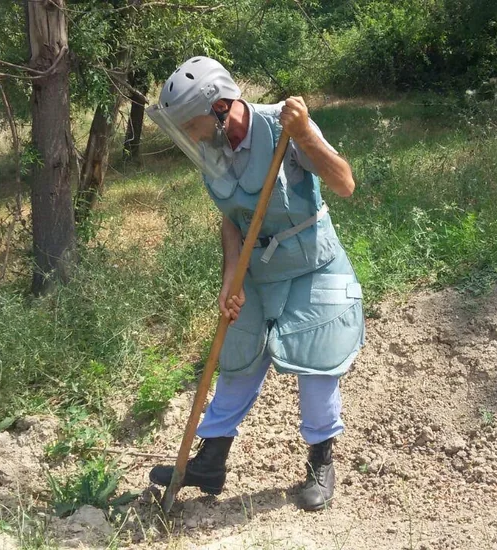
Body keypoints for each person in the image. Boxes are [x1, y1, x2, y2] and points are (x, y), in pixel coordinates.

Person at [146, 56, 364, 512]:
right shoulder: (213, 147)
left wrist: (304, 135)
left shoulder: (280, 126)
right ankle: (210, 461)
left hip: (311, 264)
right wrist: (231, 279)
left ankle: (320, 462)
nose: (188, 135)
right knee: (238, 357)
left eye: (191, 124)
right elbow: (232, 219)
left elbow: (344, 183)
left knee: (316, 363)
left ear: (222, 107)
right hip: (256, 269)